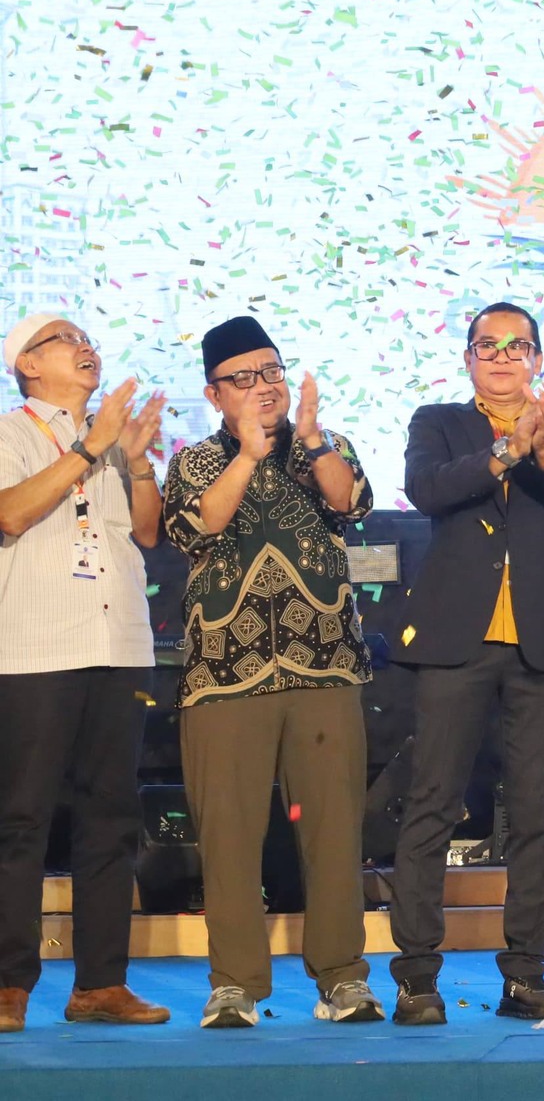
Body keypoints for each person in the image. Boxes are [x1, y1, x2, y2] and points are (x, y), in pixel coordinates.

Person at [163, 315, 382, 1028]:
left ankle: (342, 977)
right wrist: (249, 454)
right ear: (214, 393)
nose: (264, 387)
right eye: (244, 378)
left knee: (334, 831)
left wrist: (310, 438)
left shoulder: (324, 444)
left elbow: (348, 501)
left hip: (325, 662)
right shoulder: (196, 461)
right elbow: (198, 525)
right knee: (228, 835)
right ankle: (235, 983)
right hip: (225, 670)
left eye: (272, 372)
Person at [387, 303, 544, 1026]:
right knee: (433, 804)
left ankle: (526, 975)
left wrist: (542, 445)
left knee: (535, 814)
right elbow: (429, 489)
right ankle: (417, 977)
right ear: (468, 357)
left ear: (537, 358)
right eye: (489, 345)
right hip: (456, 637)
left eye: (518, 346)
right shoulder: (438, 421)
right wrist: (508, 449)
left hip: (540, 640)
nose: (503, 356)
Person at [0, 315, 171, 1032]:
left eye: (88, 339)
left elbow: (148, 531)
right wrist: (89, 446)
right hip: (35, 648)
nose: (85, 347)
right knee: (22, 818)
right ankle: (8, 985)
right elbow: (10, 513)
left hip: (120, 642)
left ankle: (100, 984)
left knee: (111, 816)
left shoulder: (109, 440)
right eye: (66, 338)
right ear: (29, 365)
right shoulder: (11, 433)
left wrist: (135, 459)